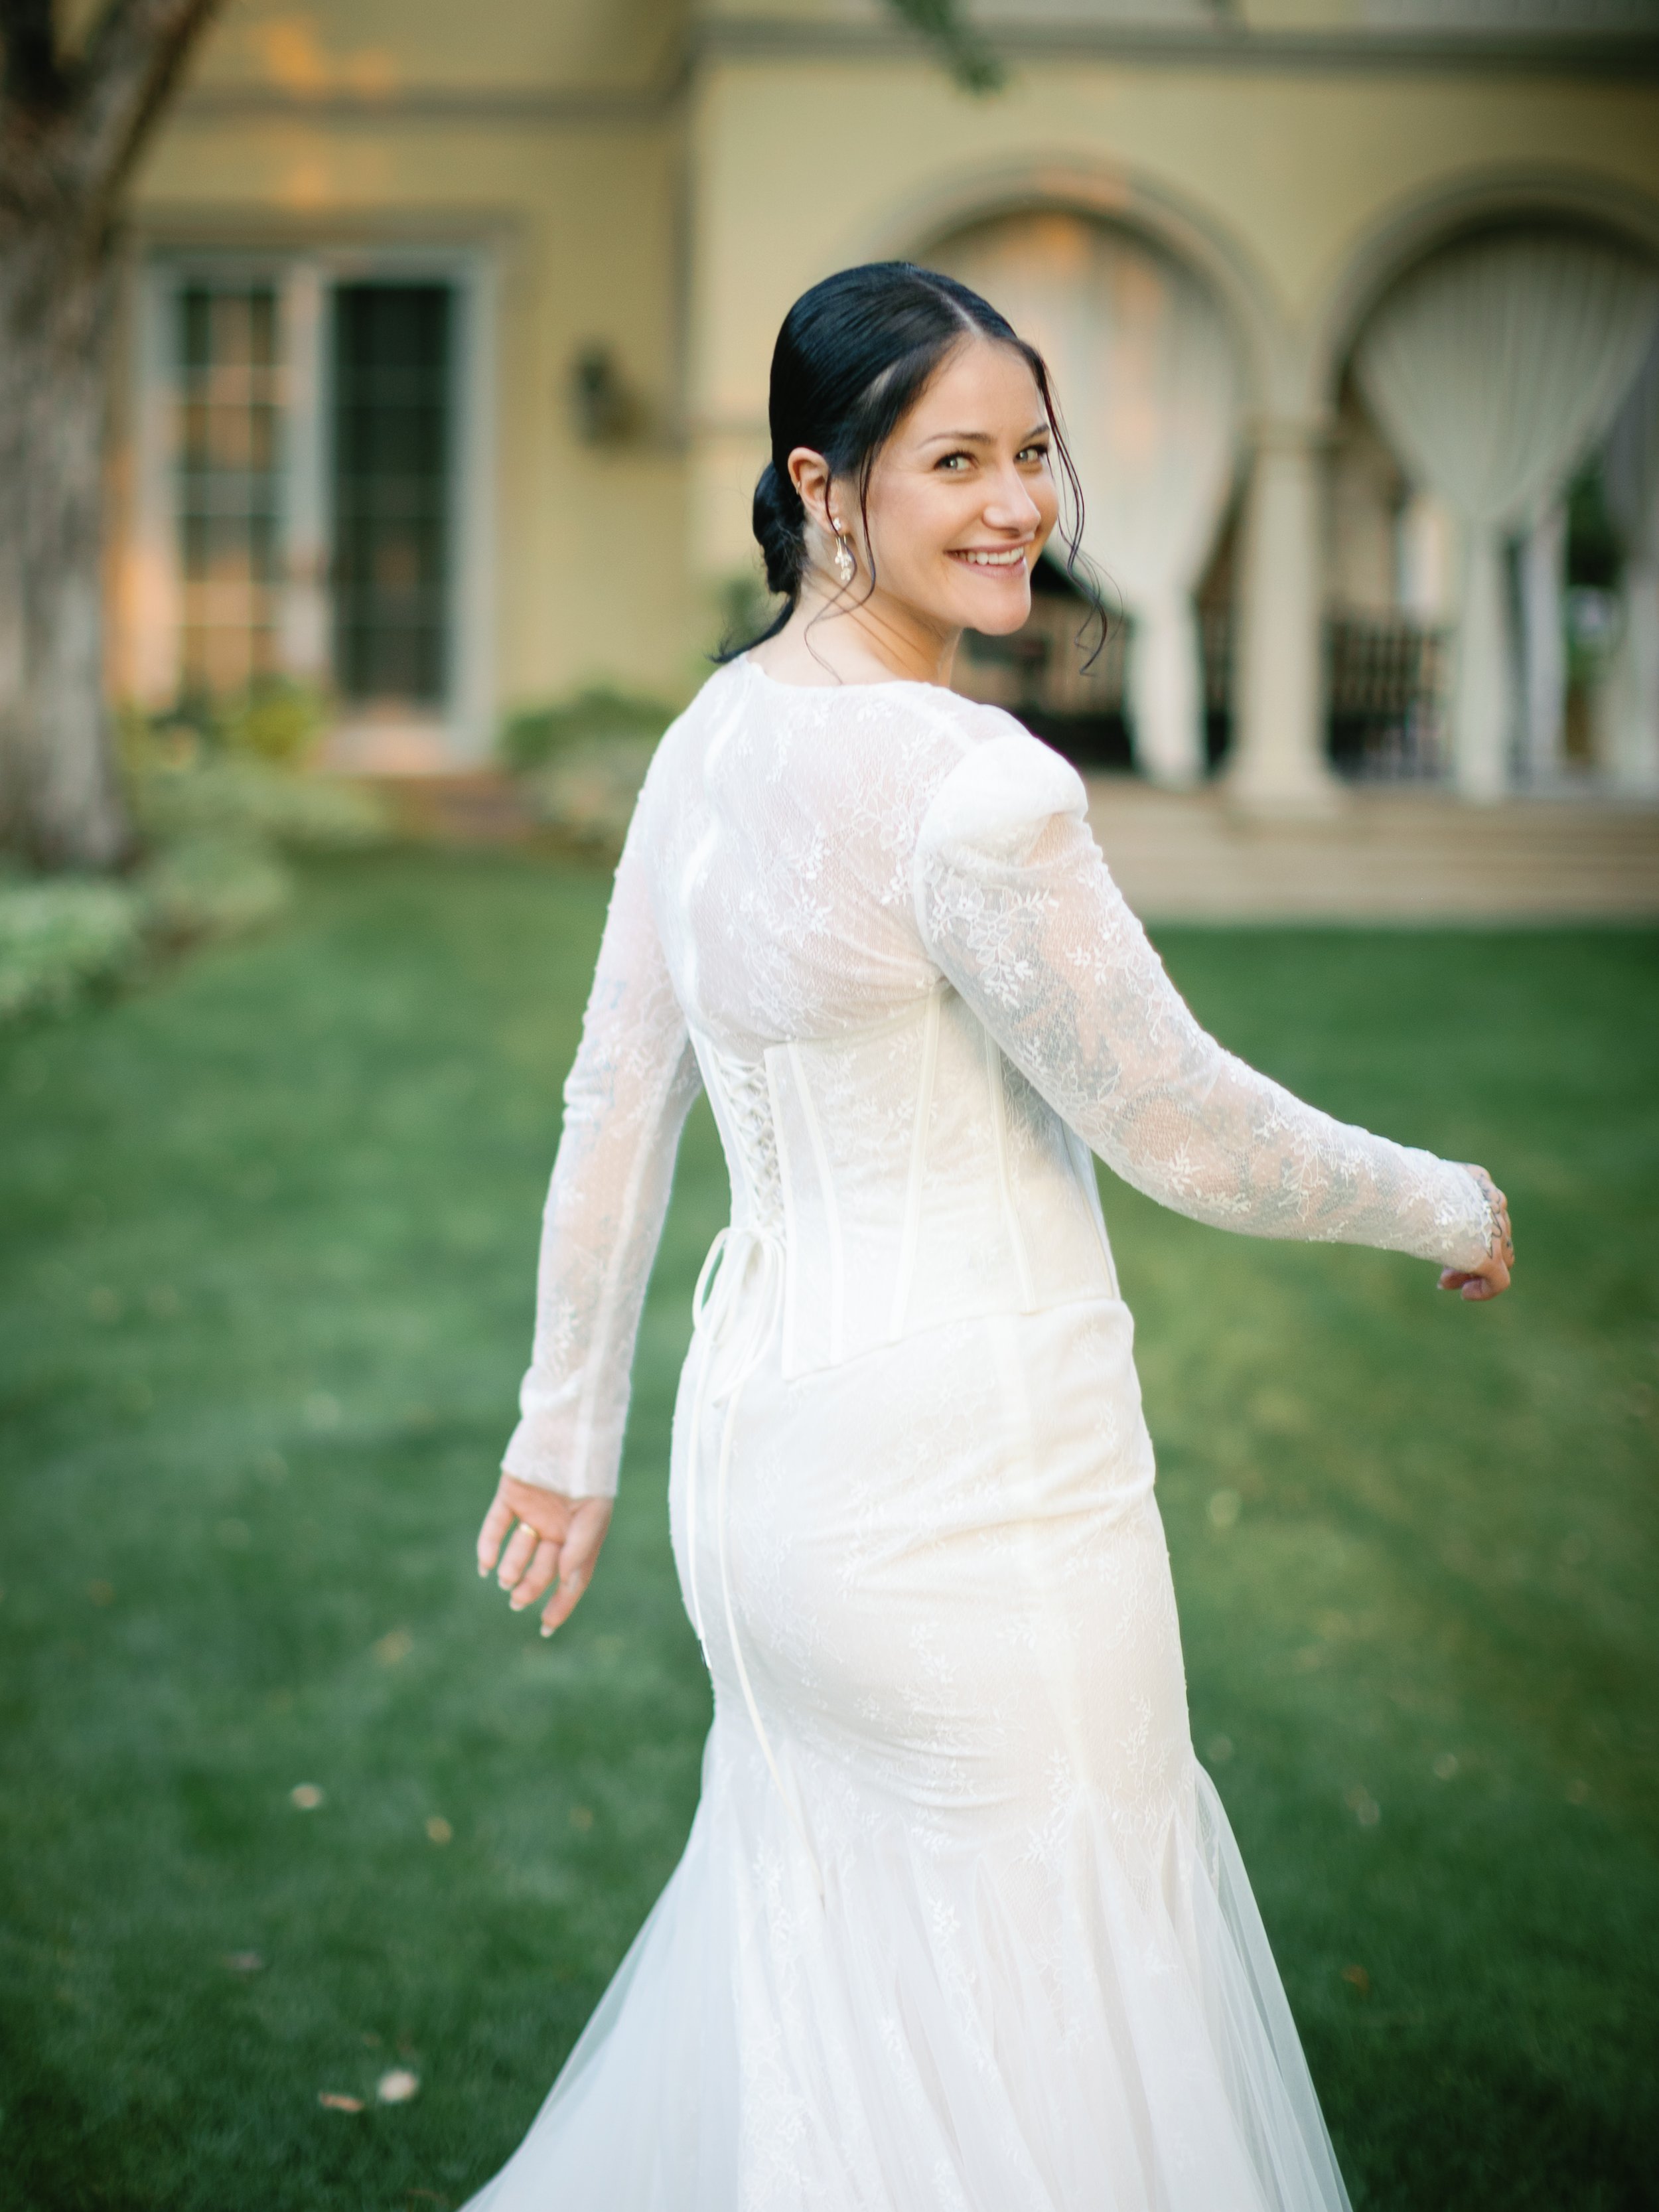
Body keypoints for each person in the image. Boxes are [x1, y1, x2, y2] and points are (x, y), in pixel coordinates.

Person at [465, 262, 1514, 2212]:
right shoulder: (973, 790)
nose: (1019, 502)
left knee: (836, 1965)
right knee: (1050, 1992)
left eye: (1032, 451)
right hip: (975, 1490)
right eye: (955, 458)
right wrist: (1440, 1198)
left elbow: (617, 1103)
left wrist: (567, 1432)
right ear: (824, 486)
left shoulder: (709, 738)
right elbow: (1173, 1119)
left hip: (765, 1487)